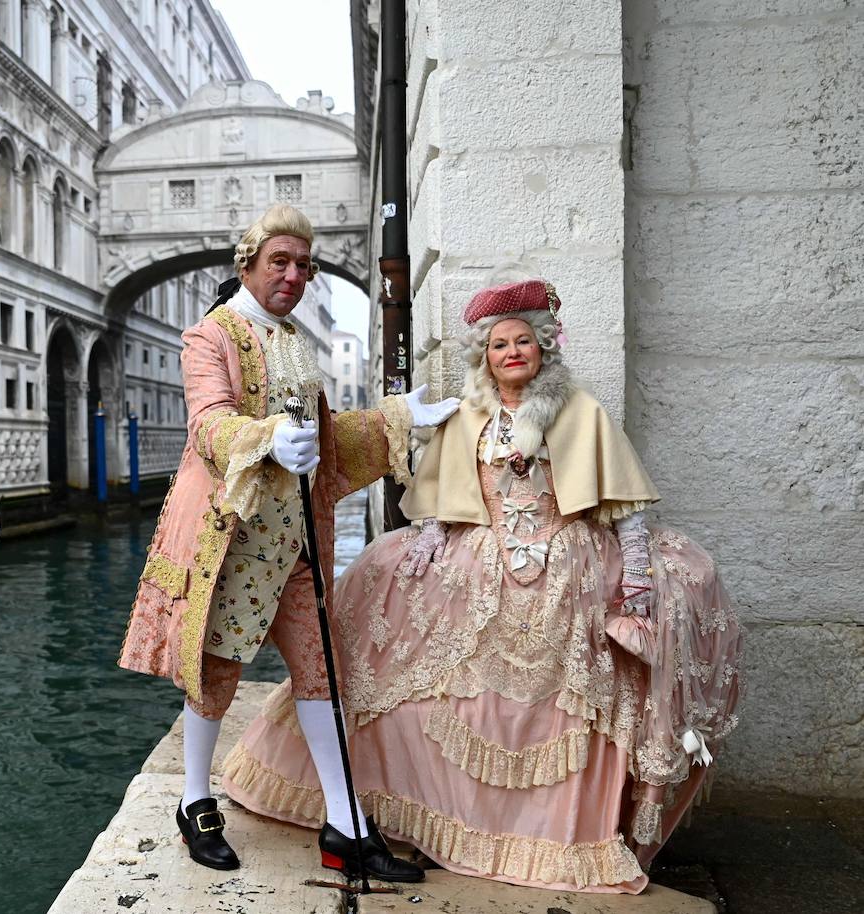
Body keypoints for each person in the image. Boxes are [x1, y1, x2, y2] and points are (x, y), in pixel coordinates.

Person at [222, 277, 744, 893]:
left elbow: (623, 505)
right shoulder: (471, 414)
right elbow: (450, 497)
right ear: (485, 356)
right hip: (481, 557)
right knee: (398, 629)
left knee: (554, 705)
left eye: (523, 341)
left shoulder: (579, 411)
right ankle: (416, 809)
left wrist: (634, 571)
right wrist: (431, 541)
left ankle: (550, 834)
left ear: (543, 349)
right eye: (499, 345)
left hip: (566, 562)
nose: (512, 352)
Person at [118, 204, 460, 881]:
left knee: (321, 673)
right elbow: (210, 425)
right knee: (215, 674)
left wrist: (397, 416)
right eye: (281, 261)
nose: (295, 275)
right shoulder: (208, 336)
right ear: (247, 264)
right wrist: (268, 436)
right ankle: (195, 802)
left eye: (304, 265)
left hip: (299, 542)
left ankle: (346, 823)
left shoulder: (295, 339)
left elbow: (325, 440)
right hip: (235, 540)